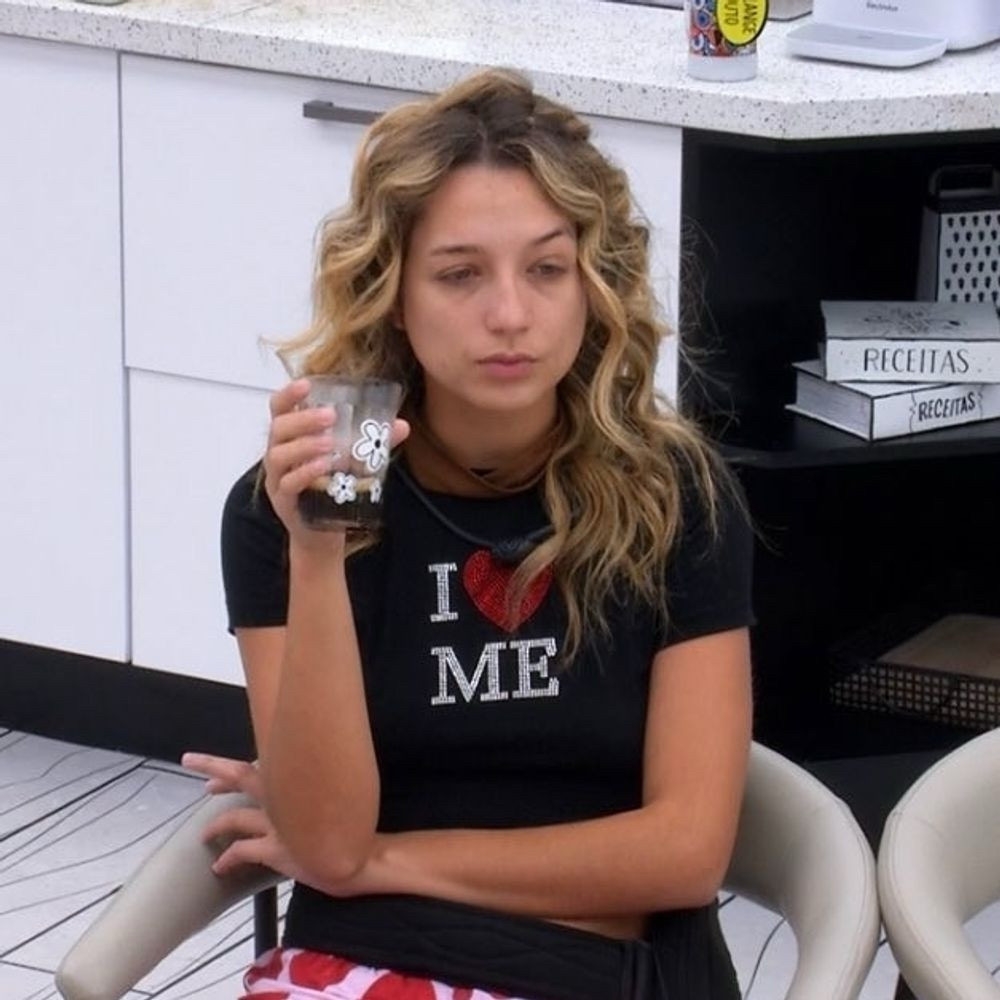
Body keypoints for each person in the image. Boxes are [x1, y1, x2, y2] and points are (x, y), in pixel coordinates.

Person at [182, 66, 754, 1000]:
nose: (511, 316)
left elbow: (686, 855)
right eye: (459, 274)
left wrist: (386, 861)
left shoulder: (672, 495)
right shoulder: (292, 505)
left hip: (607, 970)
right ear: (392, 292)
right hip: (367, 957)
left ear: (593, 285)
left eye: (546, 269)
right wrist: (317, 554)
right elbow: (324, 845)